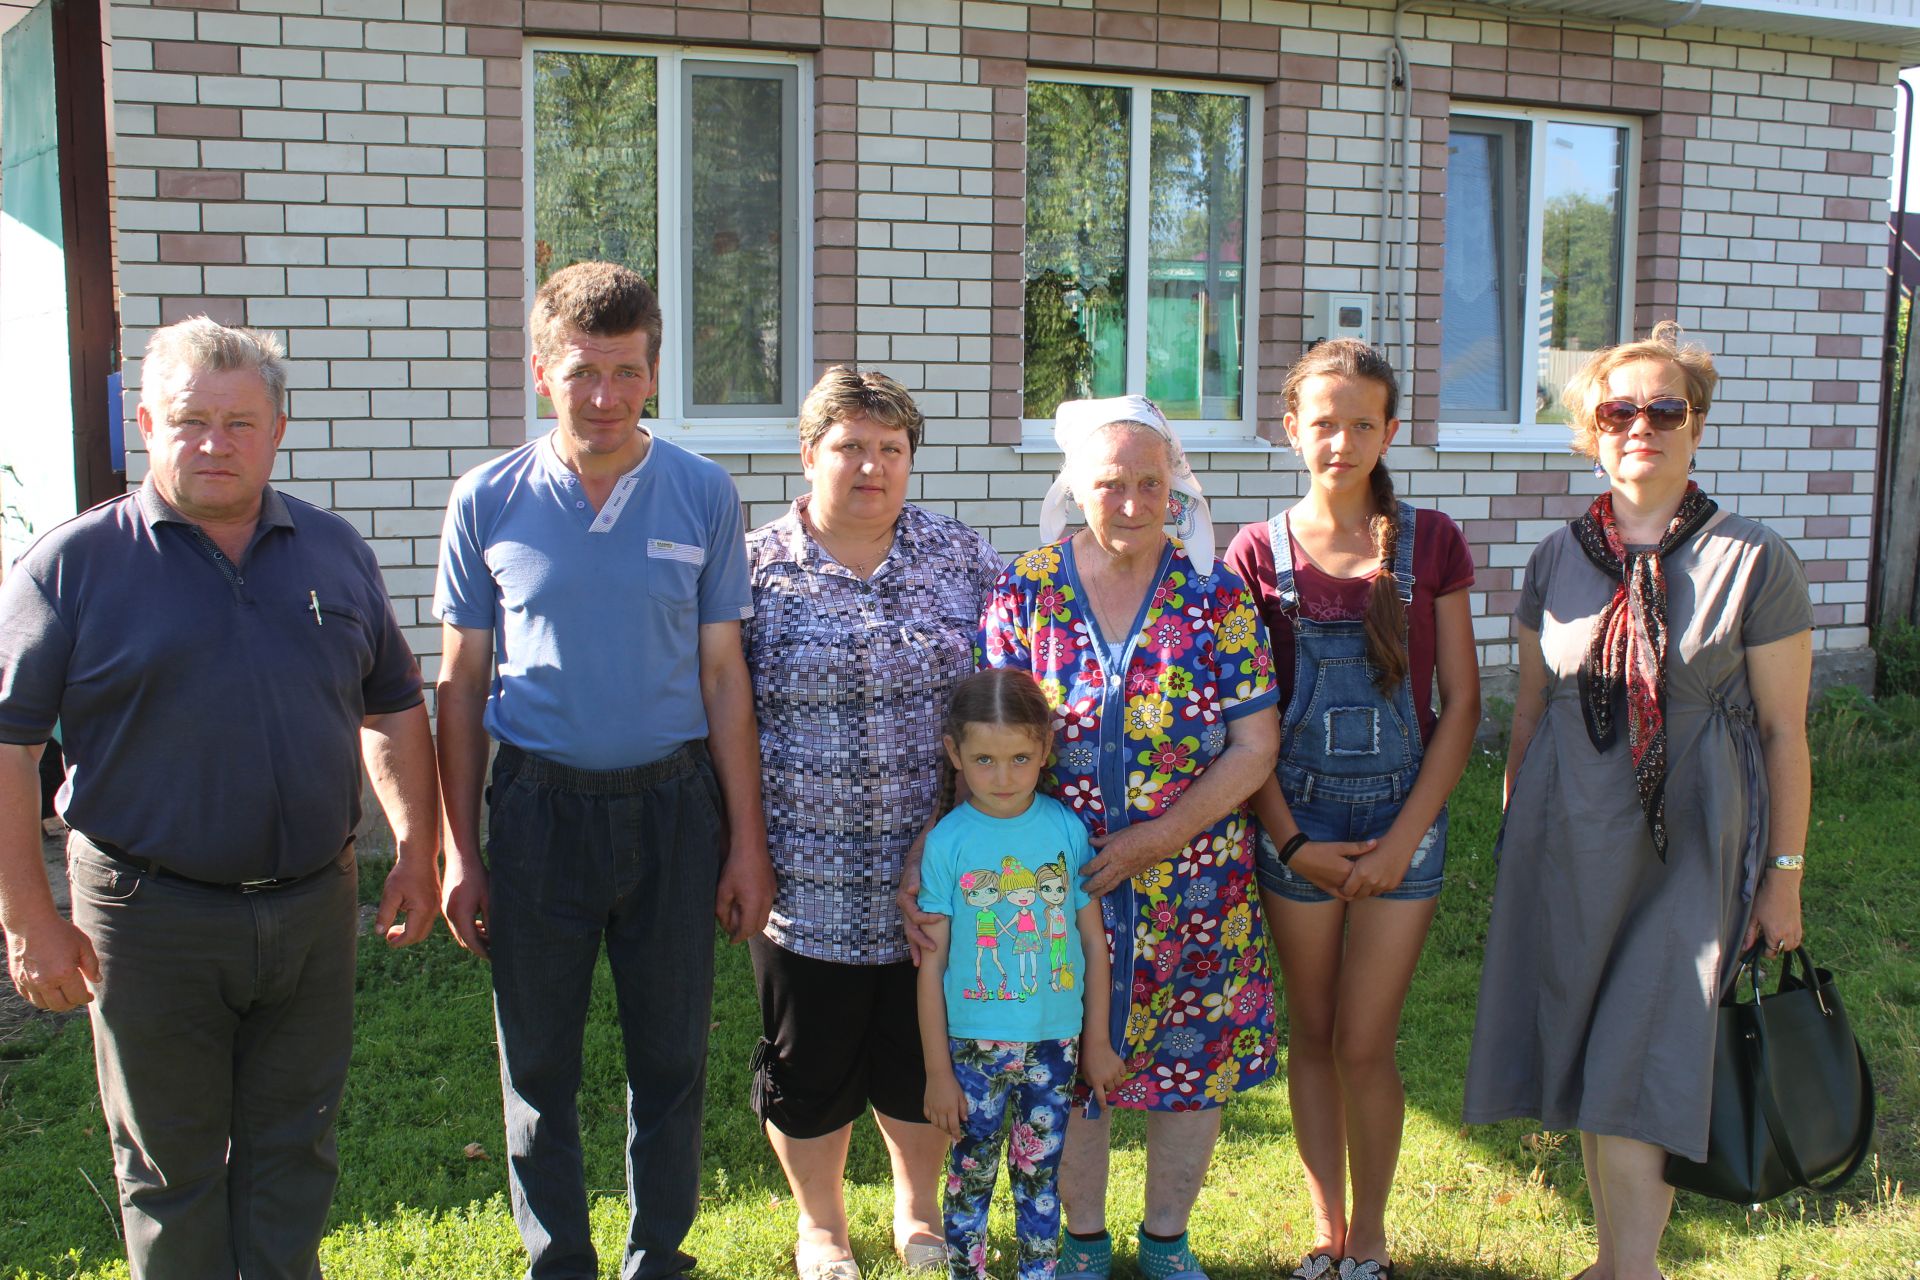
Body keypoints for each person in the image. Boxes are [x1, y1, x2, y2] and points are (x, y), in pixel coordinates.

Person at [0, 316, 441, 1277]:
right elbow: (9, 741)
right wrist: (28, 913)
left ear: (278, 429)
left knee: (296, 1152)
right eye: (192, 420)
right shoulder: (72, 566)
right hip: (147, 914)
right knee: (170, 1166)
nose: (214, 443)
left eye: (239, 423)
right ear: (148, 423)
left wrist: (416, 848)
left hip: (311, 908)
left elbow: (396, 704)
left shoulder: (335, 553)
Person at [434, 261, 774, 1280]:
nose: (605, 396)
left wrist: (745, 842)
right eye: (583, 371)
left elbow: (724, 678)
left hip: (675, 808)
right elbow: (459, 686)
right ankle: (560, 1260)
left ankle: (658, 1254)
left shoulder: (703, 492)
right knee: (538, 1058)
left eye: (626, 372)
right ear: (544, 370)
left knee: (669, 1055)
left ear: (654, 372)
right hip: (538, 809)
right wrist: (459, 847)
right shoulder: (486, 498)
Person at [1463, 322, 1812, 1280]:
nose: (1642, 427)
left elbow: (1785, 734)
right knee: (1584, 1043)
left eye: (1667, 410)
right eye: (1621, 410)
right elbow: (1529, 717)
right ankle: (1619, 1263)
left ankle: (1630, 1271)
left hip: (1694, 838)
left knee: (1640, 1048)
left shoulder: (1755, 559)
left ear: (1696, 426)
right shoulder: (1556, 559)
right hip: (1566, 837)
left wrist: (1783, 878)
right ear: (1591, 430)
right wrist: (1515, 844)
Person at [970, 395, 1281, 1280]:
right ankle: (1083, 1241)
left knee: (1192, 1061)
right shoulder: (1025, 588)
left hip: (1194, 884)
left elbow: (1256, 745)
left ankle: (1168, 1241)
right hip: (1058, 887)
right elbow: (993, 734)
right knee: (1068, 1066)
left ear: (1176, 489)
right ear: (1077, 486)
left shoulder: (1215, 596)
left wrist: (1162, 834)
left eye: (1154, 484)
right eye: (1113, 484)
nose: (1136, 503)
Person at [1223, 340, 1480, 1280]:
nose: (1341, 441)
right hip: (1296, 830)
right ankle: (1325, 1229)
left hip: (1403, 832)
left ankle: (1370, 1236)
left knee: (1367, 1043)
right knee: (1316, 1031)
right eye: (1323, 423)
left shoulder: (1432, 542)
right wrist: (1291, 840)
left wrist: (1401, 843)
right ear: (1291, 428)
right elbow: (1243, 724)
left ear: (1390, 432)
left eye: (1362, 424)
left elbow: (1463, 709)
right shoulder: (1256, 552)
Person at [743, 367, 1005, 1279]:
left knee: (917, 1049)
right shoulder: (751, 569)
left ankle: (918, 1212)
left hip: (937, 867)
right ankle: (822, 1227)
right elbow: (721, 715)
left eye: (890, 449)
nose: (871, 466)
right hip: (800, 876)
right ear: (809, 454)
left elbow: (1010, 690)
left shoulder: (961, 560)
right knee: (807, 1062)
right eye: (850, 446)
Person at [917, 669, 1126, 1280]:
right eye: (983, 759)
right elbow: (930, 967)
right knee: (970, 1176)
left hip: (1053, 1046)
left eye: (1019, 758)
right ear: (954, 753)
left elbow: (1091, 940)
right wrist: (936, 1072)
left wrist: (1096, 1040)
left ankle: (1039, 1273)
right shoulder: (947, 843)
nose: (1002, 777)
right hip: (971, 1049)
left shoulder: (1064, 830)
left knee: (1040, 1179)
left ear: (1045, 752)